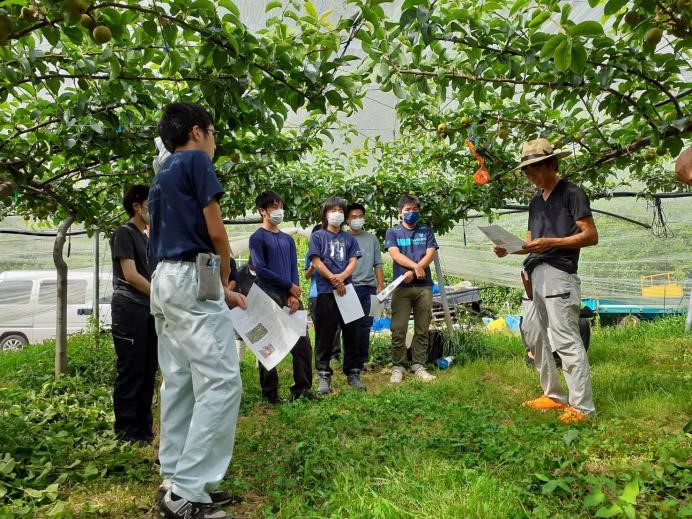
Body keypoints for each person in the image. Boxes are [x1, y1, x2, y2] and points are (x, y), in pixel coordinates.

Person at [149, 102, 246, 519]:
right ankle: (188, 489)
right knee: (223, 382)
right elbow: (217, 233)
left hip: (164, 280)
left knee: (180, 381)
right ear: (197, 131)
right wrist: (225, 282)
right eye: (213, 132)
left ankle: (173, 477)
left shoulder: (160, 175)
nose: (215, 141)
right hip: (193, 275)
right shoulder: (195, 161)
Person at [495, 138, 598, 424]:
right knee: (534, 333)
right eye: (527, 172)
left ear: (553, 164)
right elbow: (530, 243)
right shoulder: (534, 202)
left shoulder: (572, 193)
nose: (532, 176)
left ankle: (582, 406)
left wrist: (553, 242)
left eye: (536, 170)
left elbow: (590, 235)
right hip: (532, 272)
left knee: (565, 337)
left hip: (558, 272)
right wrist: (509, 248)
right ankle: (553, 395)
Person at [248, 191, 315, 403]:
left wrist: (293, 291)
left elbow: (294, 267)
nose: (278, 210)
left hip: (289, 294)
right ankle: (270, 393)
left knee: (302, 343)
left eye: (280, 206)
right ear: (262, 211)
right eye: (273, 207)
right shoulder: (257, 238)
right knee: (267, 344)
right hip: (266, 294)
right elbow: (260, 269)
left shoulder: (288, 239)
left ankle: (302, 389)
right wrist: (289, 286)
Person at [109, 184, 158, 445]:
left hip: (148, 309)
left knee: (148, 368)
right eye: (150, 203)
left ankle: (144, 429)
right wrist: (158, 295)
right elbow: (130, 275)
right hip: (130, 309)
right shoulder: (124, 234)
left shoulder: (147, 237)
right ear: (137, 206)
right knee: (131, 370)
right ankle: (127, 432)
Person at [308, 197, 364, 393]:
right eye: (333, 210)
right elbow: (315, 261)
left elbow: (353, 262)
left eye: (341, 210)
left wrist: (341, 278)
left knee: (353, 332)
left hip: (347, 290)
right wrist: (333, 278)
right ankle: (324, 376)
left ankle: (353, 372)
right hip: (325, 292)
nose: (337, 213)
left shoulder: (349, 238)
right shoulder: (318, 237)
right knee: (324, 335)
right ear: (325, 214)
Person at [384, 195, 439, 384]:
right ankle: (398, 366)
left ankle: (418, 365)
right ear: (400, 213)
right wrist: (415, 268)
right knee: (398, 328)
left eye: (415, 210)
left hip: (424, 287)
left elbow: (431, 252)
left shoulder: (426, 231)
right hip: (402, 287)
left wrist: (416, 269)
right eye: (407, 210)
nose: (411, 213)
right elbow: (395, 254)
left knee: (422, 327)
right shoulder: (393, 232)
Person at [346, 203, 384, 370]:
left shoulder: (372, 239)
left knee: (366, 325)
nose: (357, 219)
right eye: (353, 217)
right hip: (349, 287)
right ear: (347, 219)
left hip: (370, 287)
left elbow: (378, 263)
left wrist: (380, 286)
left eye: (360, 216)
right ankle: (350, 360)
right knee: (350, 325)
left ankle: (361, 361)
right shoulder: (343, 237)